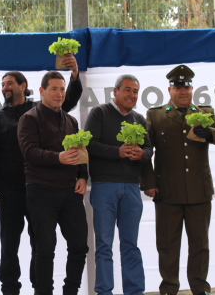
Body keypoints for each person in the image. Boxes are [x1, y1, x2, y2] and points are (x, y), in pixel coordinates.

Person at [0, 54, 83, 295]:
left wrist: (73, 75)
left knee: (40, 245)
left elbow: (66, 100)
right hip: (17, 190)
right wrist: (1, 190)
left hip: (41, 189)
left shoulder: (48, 111)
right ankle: (10, 289)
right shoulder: (0, 118)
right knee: (11, 245)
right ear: (43, 91)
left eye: (9, 83)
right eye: (2, 84)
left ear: (24, 87)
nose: (5, 87)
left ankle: (38, 287)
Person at [141, 65, 215, 295]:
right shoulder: (156, 114)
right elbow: (146, 151)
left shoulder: (204, 112)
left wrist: (210, 133)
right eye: (178, 87)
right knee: (168, 245)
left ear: (192, 89)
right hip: (167, 191)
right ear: (169, 89)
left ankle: (200, 287)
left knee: (200, 244)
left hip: (199, 190)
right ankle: (169, 287)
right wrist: (149, 182)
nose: (183, 91)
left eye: (186, 87)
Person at [17, 71, 89, 295]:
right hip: (41, 190)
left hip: (70, 191)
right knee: (45, 249)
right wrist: (58, 157)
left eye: (62, 89)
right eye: (54, 89)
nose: (59, 94)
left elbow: (80, 152)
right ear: (42, 91)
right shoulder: (29, 118)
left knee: (79, 246)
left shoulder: (71, 120)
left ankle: (71, 291)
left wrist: (82, 176)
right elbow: (29, 152)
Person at [84, 74, 153, 295]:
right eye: (127, 90)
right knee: (104, 244)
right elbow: (90, 144)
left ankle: (135, 291)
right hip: (104, 186)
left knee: (130, 244)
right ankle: (104, 291)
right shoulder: (99, 113)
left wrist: (141, 153)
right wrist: (118, 152)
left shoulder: (139, 119)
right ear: (115, 92)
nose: (131, 95)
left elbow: (150, 150)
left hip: (132, 188)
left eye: (135, 91)